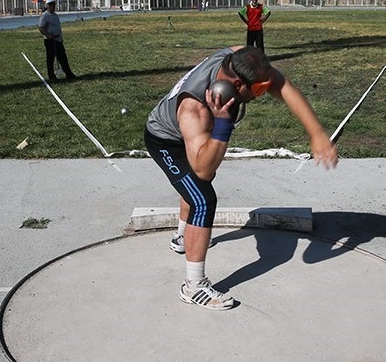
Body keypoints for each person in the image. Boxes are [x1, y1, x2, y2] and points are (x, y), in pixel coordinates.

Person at [144, 45, 338, 310]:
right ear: (237, 83)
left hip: (193, 135)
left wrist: (316, 133)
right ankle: (194, 286)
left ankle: (182, 238)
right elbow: (203, 169)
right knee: (202, 197)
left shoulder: (237, 57)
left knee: (194, 188)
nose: (261, 94)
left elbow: (282, 86)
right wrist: (222, 123)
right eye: (258, 90)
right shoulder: (194, 109)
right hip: (166, 140)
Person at [38, 0, 76, 80]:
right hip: (50, 41)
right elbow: (41, 28)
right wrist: (48, 35)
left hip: (58, 40)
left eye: (54, 4)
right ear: (47, 5)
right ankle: (51, 76)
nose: (53, 6)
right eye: (51, 4)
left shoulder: (55, 15)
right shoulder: (45, 16)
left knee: (63, 58)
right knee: (50, 59)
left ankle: (68, 74)